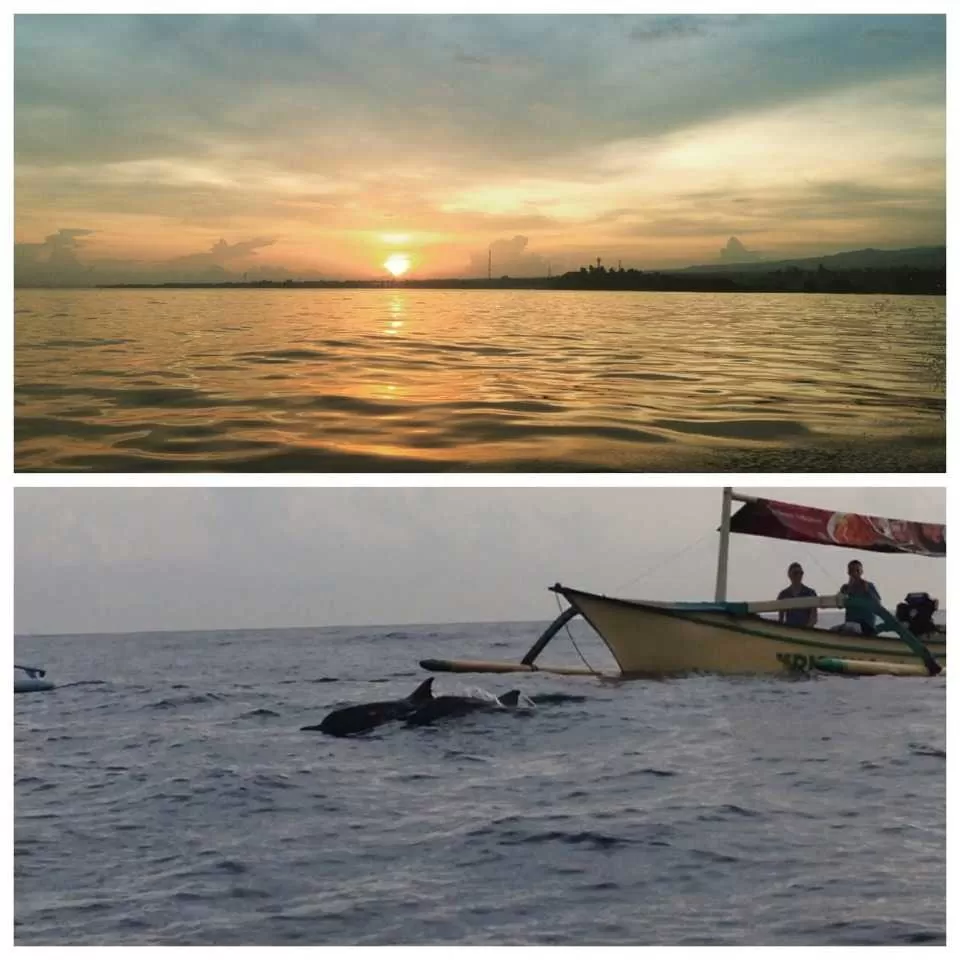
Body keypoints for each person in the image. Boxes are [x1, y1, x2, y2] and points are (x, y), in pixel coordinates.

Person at [838, 559, 881, 636]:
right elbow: (839, 606)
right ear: (848, 572)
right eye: (852, 571)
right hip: (851, 622)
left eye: (857, 571)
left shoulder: (869, 585)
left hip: (866, 624)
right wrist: (847, 590)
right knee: (834, 630)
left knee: (849, 628)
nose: (854, 573)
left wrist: (867, 591)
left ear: (861, 572)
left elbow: (878, 603)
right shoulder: (845, 588)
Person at [777, 563, 818, 627]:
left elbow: (814, 618)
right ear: (789, 575)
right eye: (795, 573)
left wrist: (804, 630)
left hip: (806, 630)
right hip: (789, 629)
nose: (798, 575)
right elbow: (781, 619)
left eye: (801, 573)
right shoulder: (783, 594)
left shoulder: (810, 593)